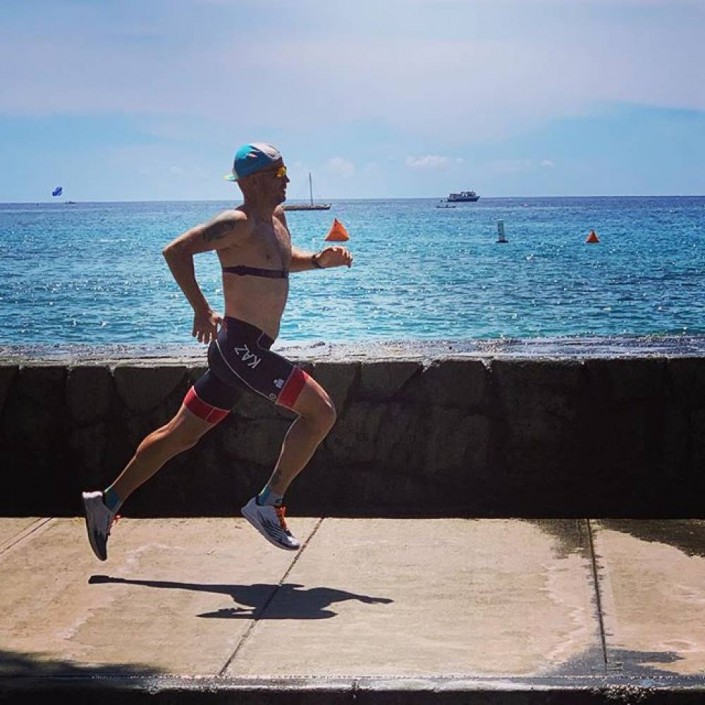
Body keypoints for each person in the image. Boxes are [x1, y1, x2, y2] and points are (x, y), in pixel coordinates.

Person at [82, 142, 353, 560]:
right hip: (239, 348)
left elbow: (280, 262)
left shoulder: (277, 220)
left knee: (180, 434)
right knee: (321, 412)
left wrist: (318, 260)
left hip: (245, 352)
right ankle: (268, 502)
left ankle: (106, 502)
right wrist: (202, 309)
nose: (287, 181)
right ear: (254, 181)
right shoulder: (236, 223)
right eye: (280, 174)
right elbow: (176, 251)